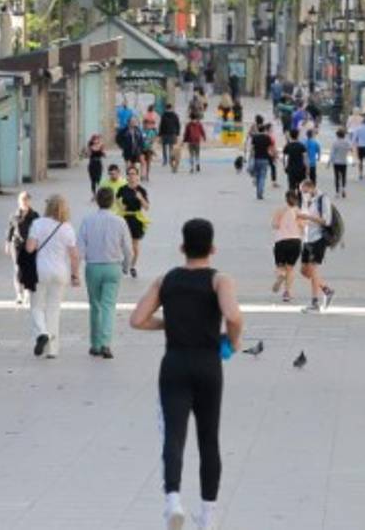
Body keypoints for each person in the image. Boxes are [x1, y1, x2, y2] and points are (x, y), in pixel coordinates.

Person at [129, 218, 243, 530]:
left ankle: (173, 502)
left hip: (175, 364)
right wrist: (233, 341)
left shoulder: (166, 280)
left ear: (182, 248)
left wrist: (169, 323)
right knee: (209, 439)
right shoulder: (220, 280)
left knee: (174, 436)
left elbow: (137, 320)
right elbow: (233, 315)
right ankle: (207, 516)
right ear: (213, 248)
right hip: (208, 366)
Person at [78, 187, 132, 358]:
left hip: (93, 267)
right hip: (113, 267)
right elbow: (128, 249)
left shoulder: (87, 220)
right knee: (109, 306)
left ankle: (95, 344)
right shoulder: (120, 222)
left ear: (96, 200)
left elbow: (80, 248)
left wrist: (75, 270)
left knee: (95, 306)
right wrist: (126, 266)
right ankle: (106, 344)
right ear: (113, 201)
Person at [25, 195, 81, 359]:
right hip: (60, 272)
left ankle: (42, 333)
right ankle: (52, 350)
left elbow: (30, 248)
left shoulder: (37, 224)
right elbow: (74, 255)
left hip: (40, 271)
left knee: (36, 306)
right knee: (54, 309)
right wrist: (75, 275)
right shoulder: (67, 228)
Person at [297, 178, 336, 313]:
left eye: (305, 191)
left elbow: (326, 221)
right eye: (301, 192)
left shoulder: (323, 199)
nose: (303, 194)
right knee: (304, 271)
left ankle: (315, 303)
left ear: (311, 187)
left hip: (318, 238)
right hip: (307, 238)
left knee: (313, 270)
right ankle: (326, 289)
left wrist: (307, 218)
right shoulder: (307, 200)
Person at [5, 191, 38, 306]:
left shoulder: (34, 216)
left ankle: (27, 292)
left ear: (29, 201)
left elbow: (39, 230)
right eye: (22, 199)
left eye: (26, 199)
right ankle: (19, 294)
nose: (24, 201)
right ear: (19, 201)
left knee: (28, 268)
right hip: (17, 244)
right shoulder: (14, 215)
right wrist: (7, 244)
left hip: (30, 244)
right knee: (18, 268)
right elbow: (9, 230)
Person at [118, 166, 151, 278]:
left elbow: (147, 207)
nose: (131, 176)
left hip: (136, 219)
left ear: (137, 176)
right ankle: (124, 262)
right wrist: (121, 206)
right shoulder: (122, 189)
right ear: (126, 176)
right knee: (122, 244)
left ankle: (133, 266)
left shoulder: (141, 190)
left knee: (134, 245)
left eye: (134, 174)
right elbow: (117, 202)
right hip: (124, 218)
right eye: (129, 174)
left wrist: (141, 198)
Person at [271, 190, 302, 303]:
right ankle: (287, 293)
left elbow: (274, 225)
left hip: (281, 242)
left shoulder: (280, 210)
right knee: (290, 268)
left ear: (286, 199)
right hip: (295, 241)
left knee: (281, 267)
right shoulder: (299, 212)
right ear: (297, 200)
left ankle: (280, 275)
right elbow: (302, 226)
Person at [282, 128, 308, 194]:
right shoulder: (302, 146)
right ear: (298, 135)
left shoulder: (287, 146)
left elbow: (284, 158)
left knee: (291, 186)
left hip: (291, 168)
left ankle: (292, 200)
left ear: (290, 136)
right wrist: (307, 168)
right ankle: (300, 199)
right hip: (300, 168)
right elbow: (305, 158)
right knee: (301, 186)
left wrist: (284, 166)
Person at [329, 127, 350, 198]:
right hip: (344, 162)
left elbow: (332, 153)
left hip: (336, 162)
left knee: (337, 177)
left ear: (337, 135)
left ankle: (337, 192)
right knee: (344, 176)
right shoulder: (347, 142)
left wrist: (329, 162)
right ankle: (344, 189)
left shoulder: (335, 143)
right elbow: (349, 150)